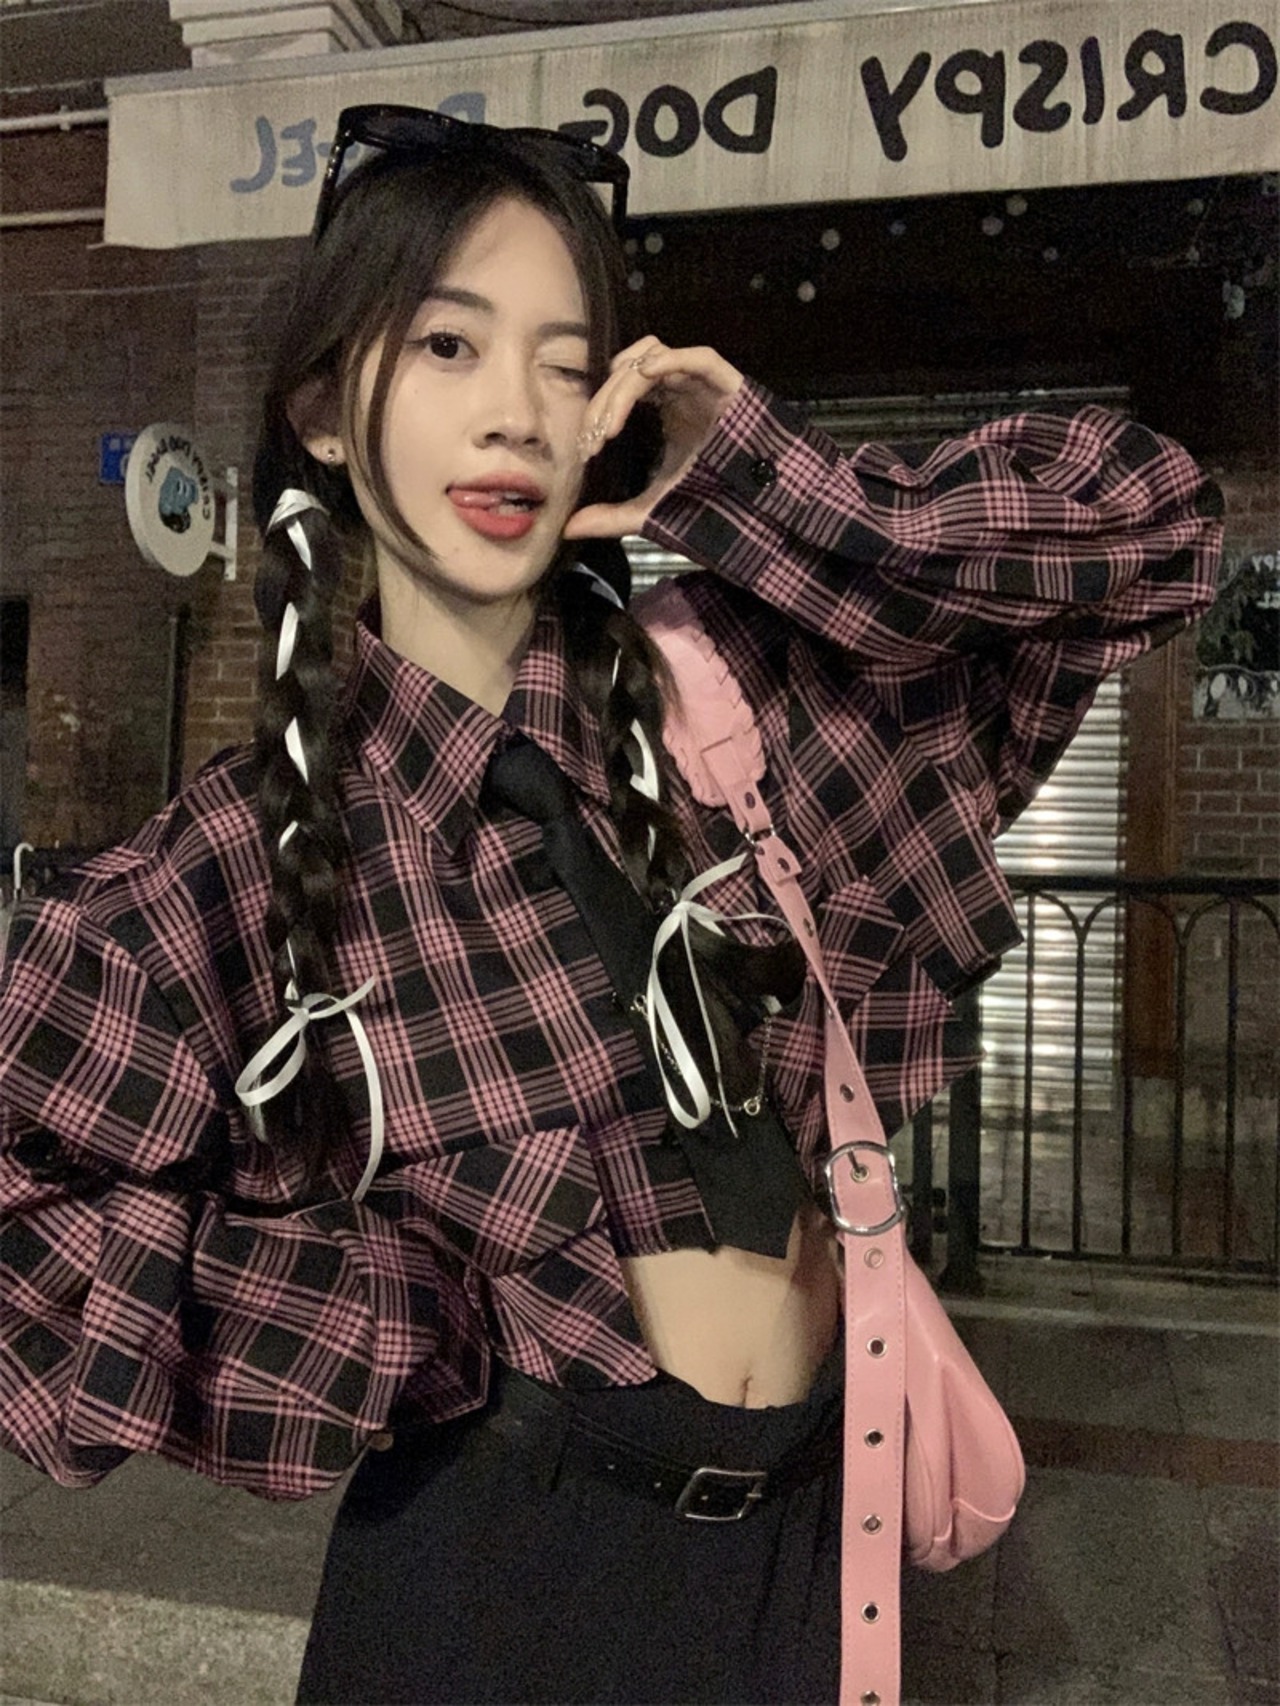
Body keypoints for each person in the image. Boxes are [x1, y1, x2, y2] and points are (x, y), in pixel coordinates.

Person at [0, 107, 1221, 1705]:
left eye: (565, 362)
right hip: (501, 1584)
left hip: (812, 1553)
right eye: (449, 345)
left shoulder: (737, 696)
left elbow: (1154, 527)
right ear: (323, 410)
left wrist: (773, 484)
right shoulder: (243, 854)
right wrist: (382, 1321)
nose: (516, 411)